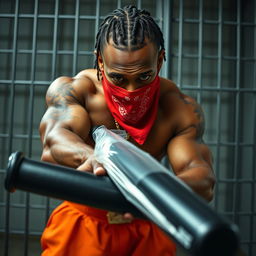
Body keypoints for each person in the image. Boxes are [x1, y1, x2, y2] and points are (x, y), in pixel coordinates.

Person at [39, 5, 215, 256]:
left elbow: (202, 178)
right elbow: (55, 139)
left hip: (147, 223)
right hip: (84, 223)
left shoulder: (178, 108)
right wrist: (95, 157)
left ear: (160, 60)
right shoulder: (77, 91)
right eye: (119, 78)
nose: (131, 91)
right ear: (100, 60)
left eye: (144, 77)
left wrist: (151, 193)